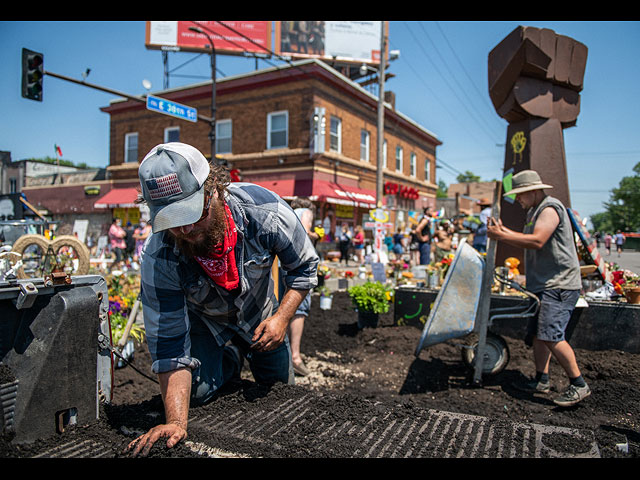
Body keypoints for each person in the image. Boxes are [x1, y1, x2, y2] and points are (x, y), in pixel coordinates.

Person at [127, 143, 318, 456]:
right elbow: (170, 344)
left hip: (262, 317)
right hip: (207, 321)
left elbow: (304, 267)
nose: (185, 228)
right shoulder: (159, 254)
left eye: (190, 213)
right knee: (197, 394)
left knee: (281, 389)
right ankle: (229, 358)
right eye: (172, 220)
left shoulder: (266, 212)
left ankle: (246, 353)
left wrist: (282, 318)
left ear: (213, 190)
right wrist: (176, 421)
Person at [487, 169, 590, 407]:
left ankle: (579, 384)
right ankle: (541, 380)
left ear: (532, 191)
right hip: (545, 284)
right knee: (539, 335)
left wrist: (501, 235)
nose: (518, 201)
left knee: (551, 334)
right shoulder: (534, 210)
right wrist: (502, 232)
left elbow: (537, 240)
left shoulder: (550, 208)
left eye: (520, 195)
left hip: (559, 284)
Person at [288, 197, 320, 377]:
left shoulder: (289, 213)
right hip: (300, 264)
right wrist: (317, 235)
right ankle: (295, 356)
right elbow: (305, 232)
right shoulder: (305, 213)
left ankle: (285, 355)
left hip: (286, 263)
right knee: (300, 309)